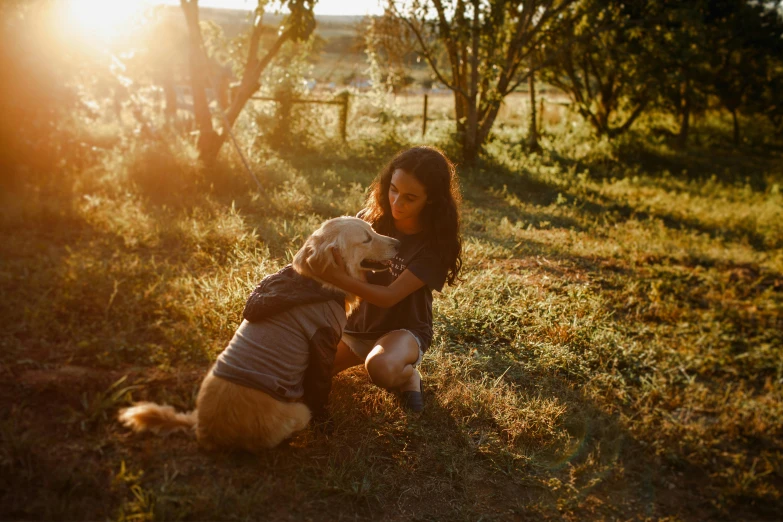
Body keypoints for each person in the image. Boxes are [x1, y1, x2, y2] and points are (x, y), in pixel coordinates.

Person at [310, 146, 463, 413]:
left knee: (380, 368)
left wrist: (334, 276)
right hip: (356, 328)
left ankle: (408, 376)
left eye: (409, 197)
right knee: (306, 371)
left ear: (431, 199)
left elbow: (389, 296)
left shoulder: (437, 245)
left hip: (402, 331)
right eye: (393, 189)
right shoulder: (369, 222)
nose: (396, 203)